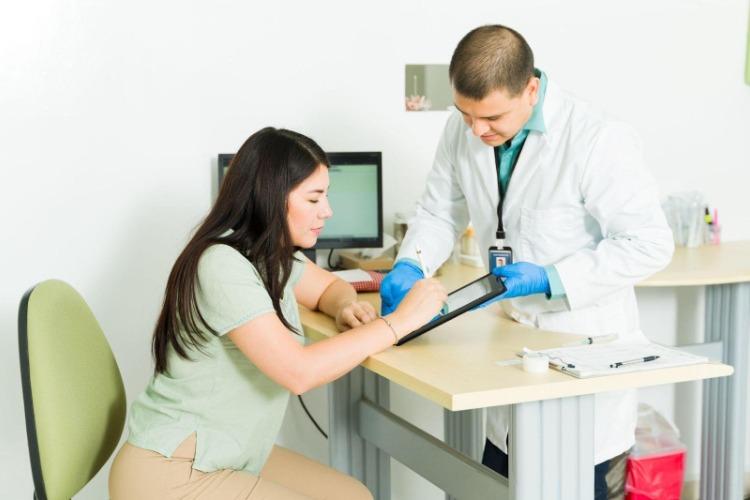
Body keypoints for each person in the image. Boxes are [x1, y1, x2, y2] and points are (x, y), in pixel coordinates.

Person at [380, 25, 674, 499]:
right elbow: (439, 212)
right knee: (497, 481)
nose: (476, 130)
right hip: (513, 347)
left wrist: (551, 278)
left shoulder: (596, 138)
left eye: (491, 117)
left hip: (582, 344)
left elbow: (649, 243)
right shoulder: (464, 128)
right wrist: (411, 264)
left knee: (568, 481)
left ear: (531, 89)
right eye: (465, 114)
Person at [109, 127, 447, 500]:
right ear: (270, 196)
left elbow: (329, 288)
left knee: (354, 496)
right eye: (314, 198)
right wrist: (398, 323)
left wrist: (345, 306)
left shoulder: (269, 257)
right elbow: (298, 372)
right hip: (173, 471)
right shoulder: (220, 264)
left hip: (231, 454)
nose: (327, 211)